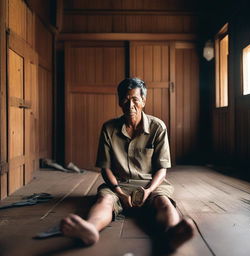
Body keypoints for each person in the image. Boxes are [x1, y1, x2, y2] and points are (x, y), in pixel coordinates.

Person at [60, 78, 194, 251]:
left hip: (150, 184)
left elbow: (162, 169)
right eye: (125, 100)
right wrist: (119, 192)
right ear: (119, 101)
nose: (130, 105)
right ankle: (91, 229)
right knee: (104, 200)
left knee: (164, 202)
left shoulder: (157, 127)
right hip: (118, 183)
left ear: (144, 101)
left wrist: (149, 191)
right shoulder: (108, 128)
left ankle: (173, 234)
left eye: (135, 99)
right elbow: (105, 167)